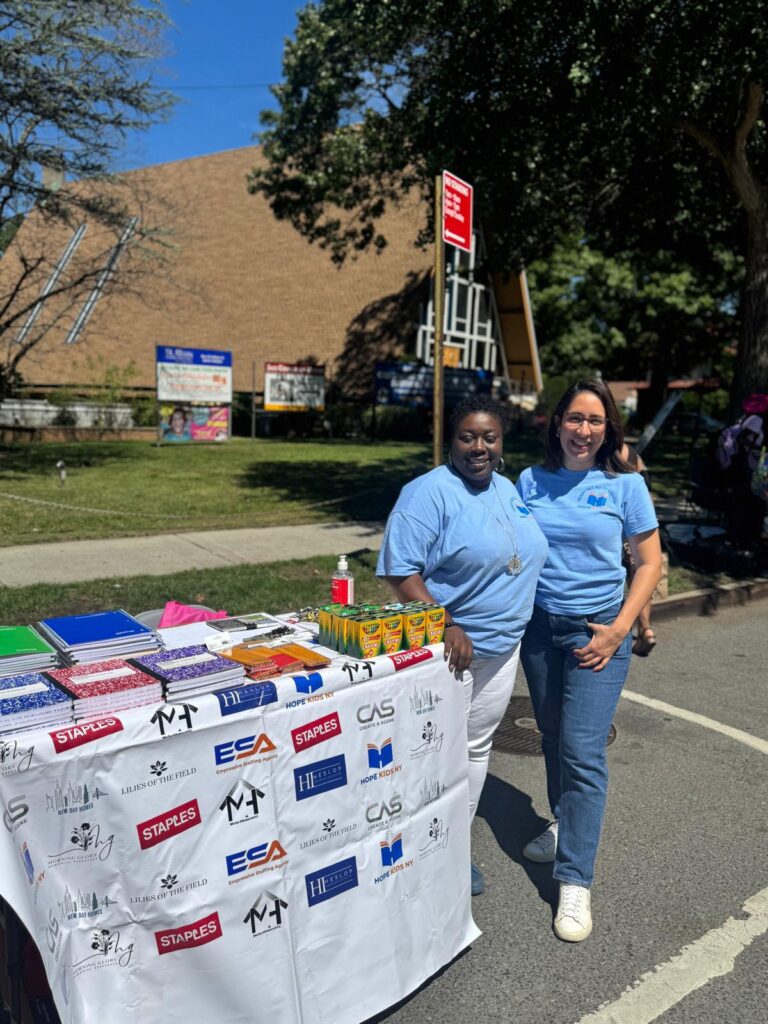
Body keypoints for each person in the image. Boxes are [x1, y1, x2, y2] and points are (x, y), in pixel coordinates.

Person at [376, 395, 548, 897]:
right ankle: (416, 855)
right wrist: (446, 621)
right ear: (451, 441)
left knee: (474, 750)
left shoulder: (507, 487)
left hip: (502, 647)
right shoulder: (427, 493)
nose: (479, 447)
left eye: (489, 437)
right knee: (432, 754)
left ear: (501, 442)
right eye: (467, 437)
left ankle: (453, 849)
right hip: (451, 653)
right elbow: (399, 568)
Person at [517, 378, 662, 942]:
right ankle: (562, 822)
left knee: (582, 751)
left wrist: (621, 629)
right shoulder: (529, 481)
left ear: (608, 430)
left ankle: (574, 878)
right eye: (575, 419)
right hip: (538, 629)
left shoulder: (623, 485)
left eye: (595, 421)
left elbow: (648, 563)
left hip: (598, 630)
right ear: (557, 423)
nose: (584, 430)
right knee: (551, 736)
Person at [621, 444, 657, 655]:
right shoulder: (631, 452)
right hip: (643, 517)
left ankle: (639, 629)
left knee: (638, 574)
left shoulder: (610, 452)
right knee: (640, 574)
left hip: (626, 521)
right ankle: (646, 629)